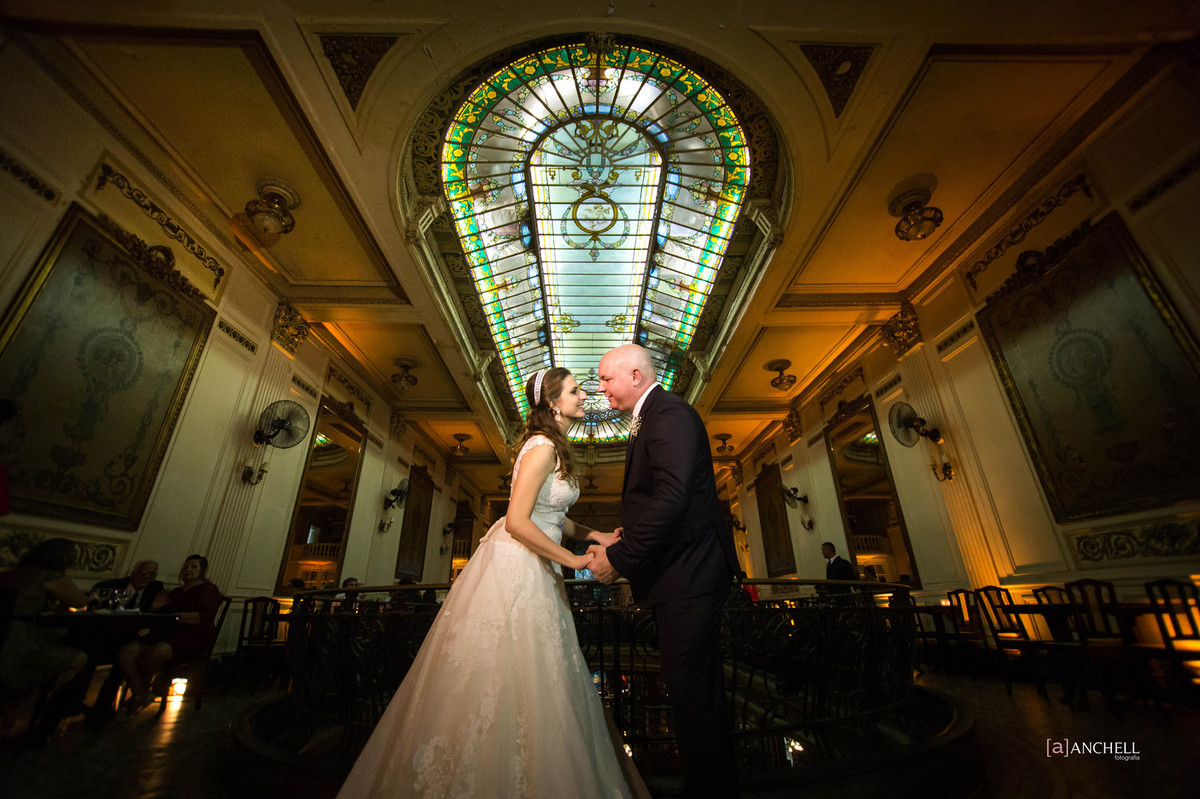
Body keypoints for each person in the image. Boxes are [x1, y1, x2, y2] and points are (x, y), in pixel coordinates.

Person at [336, 367, 641, 798]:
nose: (584, 396)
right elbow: (517, 522)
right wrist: (574, 560)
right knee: (505, 667)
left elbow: (551, 516)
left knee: (536, 668)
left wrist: (594, 535)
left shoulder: (553, 446)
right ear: (553, 403)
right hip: (517, 566)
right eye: (575, 391)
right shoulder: (540, 449)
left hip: (537, 564)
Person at [588, 344, 741, 798]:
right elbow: (667, 496)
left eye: (606, 379)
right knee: (692, 697)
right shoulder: (653, 416)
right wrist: (630, 529)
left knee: (696, 701)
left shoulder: (668, 413)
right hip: (679, 576)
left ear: (636, 375)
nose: (600, 389)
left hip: (689, 577)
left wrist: (620, 558)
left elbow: (673, 498)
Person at [0, 538, 89, 741]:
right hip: (17, 645)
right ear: (64, 559)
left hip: (4, 637)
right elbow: (81, 602)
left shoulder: (10, 574)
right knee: (77, 659)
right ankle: (15, 711)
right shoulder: (51, 576)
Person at [114, 554, 222, 714]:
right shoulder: (175, 592)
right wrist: (155, 609)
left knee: (157, 651)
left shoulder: (208, 589)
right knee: (126, 652)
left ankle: (143, 691)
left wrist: (175, 617)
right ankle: (141, 692)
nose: (188, 570)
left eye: (194, 567)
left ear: (203, 570)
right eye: (186, 567)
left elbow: (204, 616)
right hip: (169, 633)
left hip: (195, 635)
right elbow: (161, 616)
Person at [91, 560, 164, 612]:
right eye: (143, 572)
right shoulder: (109, 586)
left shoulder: (156, 590)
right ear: (133, 573)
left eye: (151, 574)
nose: (146, 577)